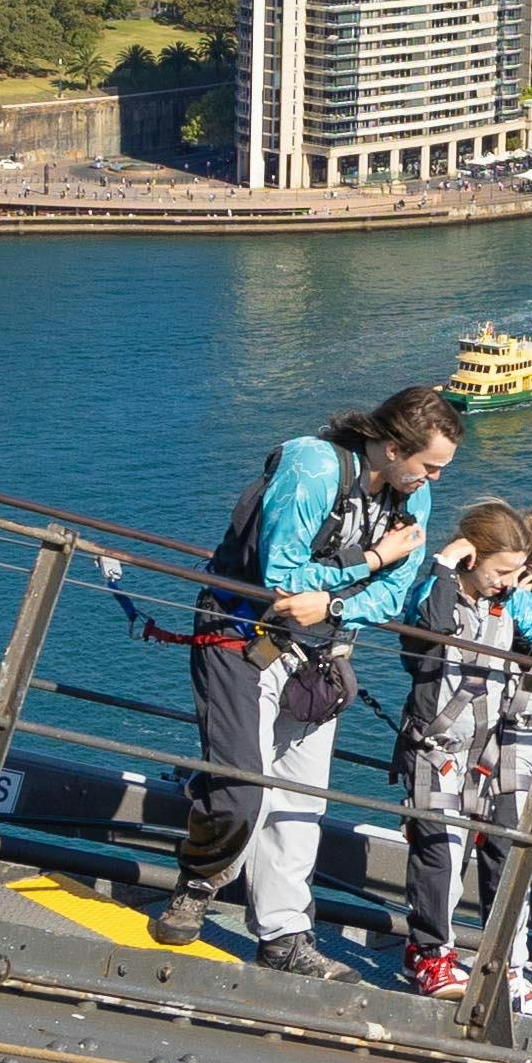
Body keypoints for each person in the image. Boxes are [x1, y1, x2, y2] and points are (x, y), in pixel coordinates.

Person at [186, 382, 460, 980]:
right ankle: (200, 879)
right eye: (430, 467)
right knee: (241, 787)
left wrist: (334, 607)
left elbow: (395, 592)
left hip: (321, 651)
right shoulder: (312, 466)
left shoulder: (410, 497)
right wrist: (372, 561)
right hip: (242, 635)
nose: (434, 481)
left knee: (301, 800)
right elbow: (282, 573)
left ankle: (284, 936)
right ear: (390, 447)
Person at [393, 503, 532, 1000]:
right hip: (437, 742)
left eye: (516, 572)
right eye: (500, 571)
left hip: (483, 747)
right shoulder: (435, 591)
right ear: (470, 557)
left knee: (482, 846)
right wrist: (442, 564)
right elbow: (429, 628)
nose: (508, 582)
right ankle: (430, 955)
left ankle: (479, 956)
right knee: (438, 848)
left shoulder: (508, 602)